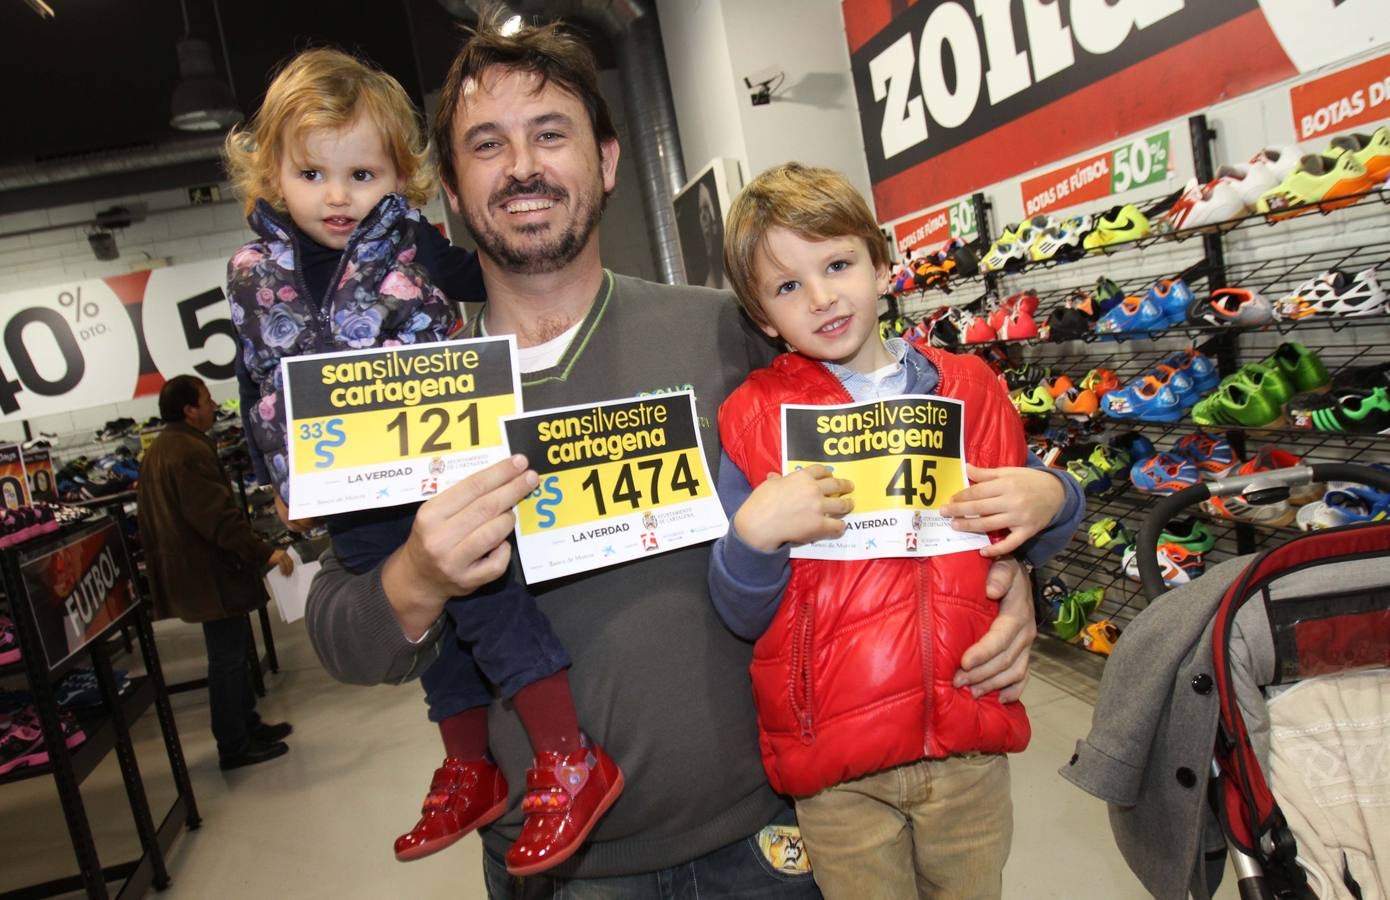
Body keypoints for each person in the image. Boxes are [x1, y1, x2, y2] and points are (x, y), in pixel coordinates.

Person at [304, 20, 1077, 895]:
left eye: (550, 133)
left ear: (606, 160)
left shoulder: (727, 331)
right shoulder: (405, 389)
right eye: (488, 144)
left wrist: (1013, 586)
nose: (522, 165)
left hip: (775, 841)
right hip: (564, 870)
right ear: (450, 187)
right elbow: (342, 634)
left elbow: (907, 468)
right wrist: (418, 575)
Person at [222, 47, 619, 871]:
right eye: (312, 175)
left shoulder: (409, 243)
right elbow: (254, 384)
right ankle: (470, 767)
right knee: (435, 637)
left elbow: (493, 270)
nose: (339, 197)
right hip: (348, 490)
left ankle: (567, 752)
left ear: (400, 178)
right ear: (271, 175)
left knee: (493, 607)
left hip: (445, 468)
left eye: (363, 174)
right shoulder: (252, 275)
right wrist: (282, 482)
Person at [710, 162, 1072, 899]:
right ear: (761, 317)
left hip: (970, 739)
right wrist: (751, 539)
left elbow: (1026, 520)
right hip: (835, 765)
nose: (820, 297)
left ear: (882, 266)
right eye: (786, 286)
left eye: (837, 264)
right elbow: (739, 611)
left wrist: (1056, 498)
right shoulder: (753, 419)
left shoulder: (972, 388)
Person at [136, 375, 294, 771]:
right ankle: (234, 744)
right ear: (189, 410)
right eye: (206, 400)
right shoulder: (187, 451)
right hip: (210, 572)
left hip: (198, 571)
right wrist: (264, 552)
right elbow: (217, 519)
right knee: (226, 658)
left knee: (235, 650)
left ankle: (247, 725)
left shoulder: (163, 449)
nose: (212, 406)